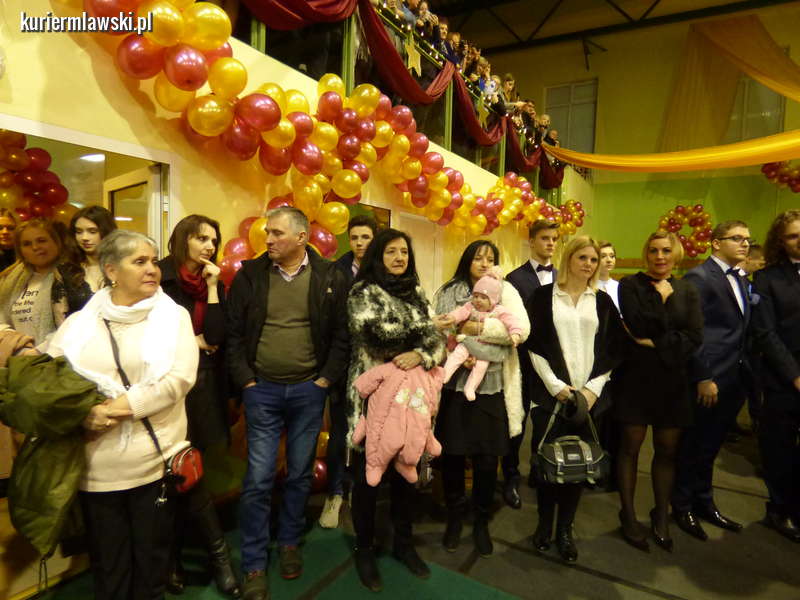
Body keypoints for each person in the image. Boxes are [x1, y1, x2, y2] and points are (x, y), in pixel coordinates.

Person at [47, 229, 199, 599]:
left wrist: (109, 411)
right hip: (96, 469)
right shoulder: (81, 323)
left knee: (151, 570)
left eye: (153, 261)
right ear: (112, 270)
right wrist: (83, 414)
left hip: (153, 464)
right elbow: (52, 378)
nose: (152, 269)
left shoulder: (173, 317)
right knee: (109, 569)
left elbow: (177, 380)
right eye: (139, 261)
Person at [227, 207, 349, 600]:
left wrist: (324, 379)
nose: (268, 239)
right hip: (261, 391)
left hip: (308, 392)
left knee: (298, 474)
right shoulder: (250, 275)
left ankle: (290, 542)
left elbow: (342, 335)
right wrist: (246, 381)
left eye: (277, 233)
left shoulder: (330, 276)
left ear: (301, 237)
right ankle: (254, 561)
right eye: (267, 232)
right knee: (258, 479)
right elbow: (233, 334)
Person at [347, 228, 445, 591]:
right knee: (368, 479)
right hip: (372, 399)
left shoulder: (417, 291)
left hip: (413, 401)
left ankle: (404, 543)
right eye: (391, 251)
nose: (399, 257)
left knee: (408, 472)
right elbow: (377, 337)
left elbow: (438, 343)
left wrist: (421, 353)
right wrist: (422, 335)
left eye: (404, 251)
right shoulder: (363, 292)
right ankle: (364, 549)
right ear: (378, 256)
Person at [524, 236, 627, 563]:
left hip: (588, 399)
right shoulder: (543, 297)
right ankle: (544, 524)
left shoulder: (602, 301)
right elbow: (533, 345)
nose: (589, 264)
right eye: (583, 257)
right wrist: (555, 386)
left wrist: (592, 390)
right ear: (569, 258)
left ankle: (565, 530)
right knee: (547, 465)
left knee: (577, 466)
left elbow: (613, 349)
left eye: (593, 260)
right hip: (550, 397)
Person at [158, 215, 240, 597]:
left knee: (191, 470)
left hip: (204, 386)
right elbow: (157, 337)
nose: (209, 246)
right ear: (183, 240)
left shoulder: (213, 282)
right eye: (201, 238)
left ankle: (176, 558)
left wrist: (211, 288)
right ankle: (212, 556)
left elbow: (218, 335)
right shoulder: (160, 277)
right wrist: (194, 341)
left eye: (213, 239)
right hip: (168, 387)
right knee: (174, 472)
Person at [433, 240, 529, 557]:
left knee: (488, 458)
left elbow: (518, 331)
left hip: (493, 386)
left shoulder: (507, 291)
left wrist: (476, 329)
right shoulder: (450, 291)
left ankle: (481, 520)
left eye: (491, 258)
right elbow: (440, 329)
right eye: (478, 257)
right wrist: (460, 344)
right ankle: (455, 516)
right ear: (467, 260)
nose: (485, 263)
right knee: (453, 455)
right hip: (454, 386)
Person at [614, 232, 703, 552]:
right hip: (636, 379)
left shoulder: (688, 289)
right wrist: (662, 302)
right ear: (646, 254)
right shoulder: (630, 285)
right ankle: (628, 514)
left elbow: (694, 338)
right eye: (653, 250)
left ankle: (661, 514)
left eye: (666, 250)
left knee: (667, 451)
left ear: (676, 254)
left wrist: (655, 342)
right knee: (630, 448)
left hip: (673, 381)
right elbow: (637, 326)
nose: (660, 256)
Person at [671, 221, 753, 541]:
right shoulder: (700, 277)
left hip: (735, 376)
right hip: (709, 377)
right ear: (716, 243)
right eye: (737, 238)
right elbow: (693, 333)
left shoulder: (741, 278)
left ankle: (704, 501)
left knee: (711, 447)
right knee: (693, 446)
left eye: (747, 239)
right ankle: (681, 506)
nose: (745, 244)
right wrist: (703, 375)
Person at [320, 214, 378, 530]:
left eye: (365, 237)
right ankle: (335, 493)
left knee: (370, 431)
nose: (359, 243)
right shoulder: (336, 271)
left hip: (376, 367)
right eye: (354, 237)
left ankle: (360, 489)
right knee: (341, 432)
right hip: (343, 366)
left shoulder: (384, 271)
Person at [503, 220, 560, 507]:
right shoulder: (514, 278)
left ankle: (540, 470)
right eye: (545, 238)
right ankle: (510, 476)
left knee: (546, 420)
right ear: (532, 241)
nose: (551, 243)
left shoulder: (563, 276)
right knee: (517, 420)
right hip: (523, 361)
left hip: (554, 363)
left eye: (554, 239)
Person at [751, 210, 800, 542]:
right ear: (781, 242)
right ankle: (780, 511)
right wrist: (795, 376)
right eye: (793, 235)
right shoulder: (767, 279)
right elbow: (766, 333)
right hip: (783, 379)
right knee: (779, 451)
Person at [0, 218, 91, 350]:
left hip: (58, 355)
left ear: (56, 242)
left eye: (41, 240)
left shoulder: (74, 277)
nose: (35, 247)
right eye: (27, 244)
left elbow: (77, 326)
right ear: (20, 251)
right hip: (20, 356)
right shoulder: (10, 280)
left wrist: (39, 351)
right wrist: (15, 341)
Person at [441, 270, 523, 401]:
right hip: (468, 342)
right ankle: (445, 375)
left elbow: (511, 321)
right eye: (476, 296)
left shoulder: (499, 310)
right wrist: (452, 317)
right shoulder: (470, 306)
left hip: (486, 347)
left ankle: (470, 387)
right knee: (458, 354)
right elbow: (460, 312)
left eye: (484, 298)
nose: (478, 300)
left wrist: (515, 333)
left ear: (493, 301)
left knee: (482, 365)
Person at [69, 205, 118, 293]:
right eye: (79, 232)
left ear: (107, 232)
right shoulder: (68, 271)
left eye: (92, 232)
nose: (84, 238)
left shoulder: (123, 267)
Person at [596, 241, 620, 312]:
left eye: (612, 256)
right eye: (603, 256)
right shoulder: (588, 285)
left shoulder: (618, 286)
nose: (609, 260)